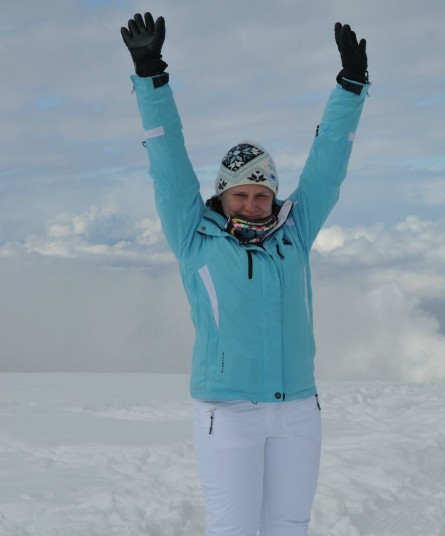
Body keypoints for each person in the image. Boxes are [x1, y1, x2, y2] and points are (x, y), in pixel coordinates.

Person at [120, 12, 369, 535]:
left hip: (298, 408)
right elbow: (167, 159)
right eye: (242, 193)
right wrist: (150, 76)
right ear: (223, 194)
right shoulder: (195, 235)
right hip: (226, 412)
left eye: (262, 194)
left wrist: (350, 89)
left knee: (288, 525)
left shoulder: (294, 232)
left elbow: (328, 165)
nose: (254, 204)